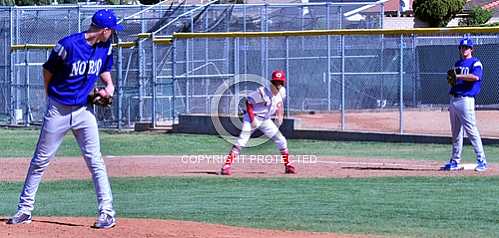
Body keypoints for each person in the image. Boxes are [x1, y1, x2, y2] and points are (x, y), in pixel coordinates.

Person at [6, 9, 123, 229]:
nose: (114, 34)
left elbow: (104, 69)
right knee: (40, 161)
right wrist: (50, 93)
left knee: (95, 161)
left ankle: (107, 213)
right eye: (112, 30)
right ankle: (24, 210)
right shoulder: (68, 45)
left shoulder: (105, 46)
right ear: (104, 30)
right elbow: (48, 70)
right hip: (58, 110)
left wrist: (109, 86)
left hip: (84, 111)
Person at [220, 70, 296, 175]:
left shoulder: (282, 91)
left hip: (265, 120)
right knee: (242, 140)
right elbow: (248, 102)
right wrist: (252, 119)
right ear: (271, 82)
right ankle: (226, 166)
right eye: (275, 82)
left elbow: (279, 104)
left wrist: (280, 114)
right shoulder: (263, 92)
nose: (278, 85)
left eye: (280, 82)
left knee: (281, 140)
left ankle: (288, 166)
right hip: (253, 117)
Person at [441, 37, 487, 172]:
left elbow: (476, 77)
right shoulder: (458, 63)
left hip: (466, 100)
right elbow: (454, 81)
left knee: (471, 130)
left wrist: (459, 77)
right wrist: (453, 80)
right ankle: (455, 161)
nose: (464, 49)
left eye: (467, 47)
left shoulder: (476, 62)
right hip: (454, 99)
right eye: (462, 47)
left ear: (471, 49)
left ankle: (482, 160)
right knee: (456, 133)